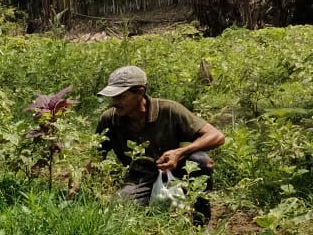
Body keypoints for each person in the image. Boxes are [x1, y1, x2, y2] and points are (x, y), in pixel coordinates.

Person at [94, 65, 224, 226]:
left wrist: (179, 152)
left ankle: (201, 222)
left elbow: (216, 136)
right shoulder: (109, 119)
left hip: (175, 172)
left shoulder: (168, 110)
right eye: (113, 97)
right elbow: (95, 157)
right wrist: (78, 184)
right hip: (139, 179)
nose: (114, 102)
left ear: (140, 93)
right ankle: (155, 206)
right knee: (118, 211)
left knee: (200, 161)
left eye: (120, 96)